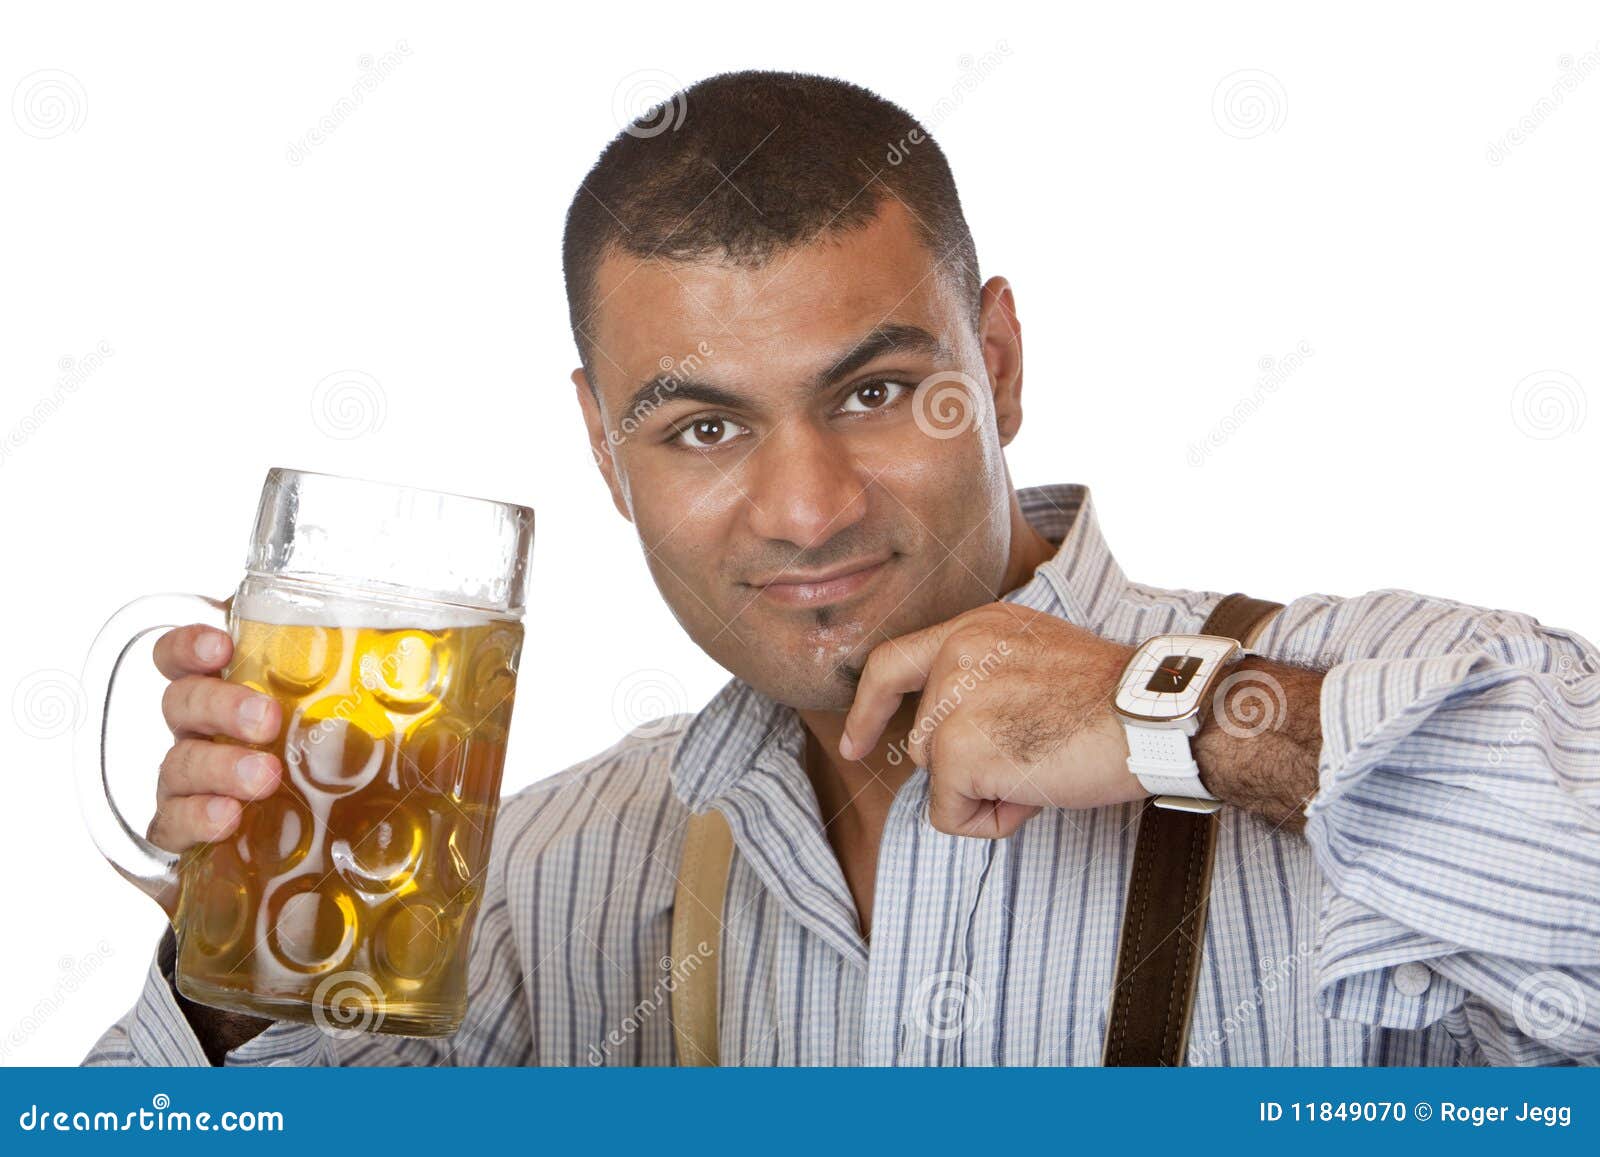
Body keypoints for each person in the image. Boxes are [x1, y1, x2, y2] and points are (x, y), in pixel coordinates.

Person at [87, 70, 1599, 1067]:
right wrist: (243, 953)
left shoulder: (1394, 691)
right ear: (604, 451)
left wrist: (1181, 718)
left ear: (998, 364)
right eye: (702, 427)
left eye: (875, 392)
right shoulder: (536, 883)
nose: (806, 510)